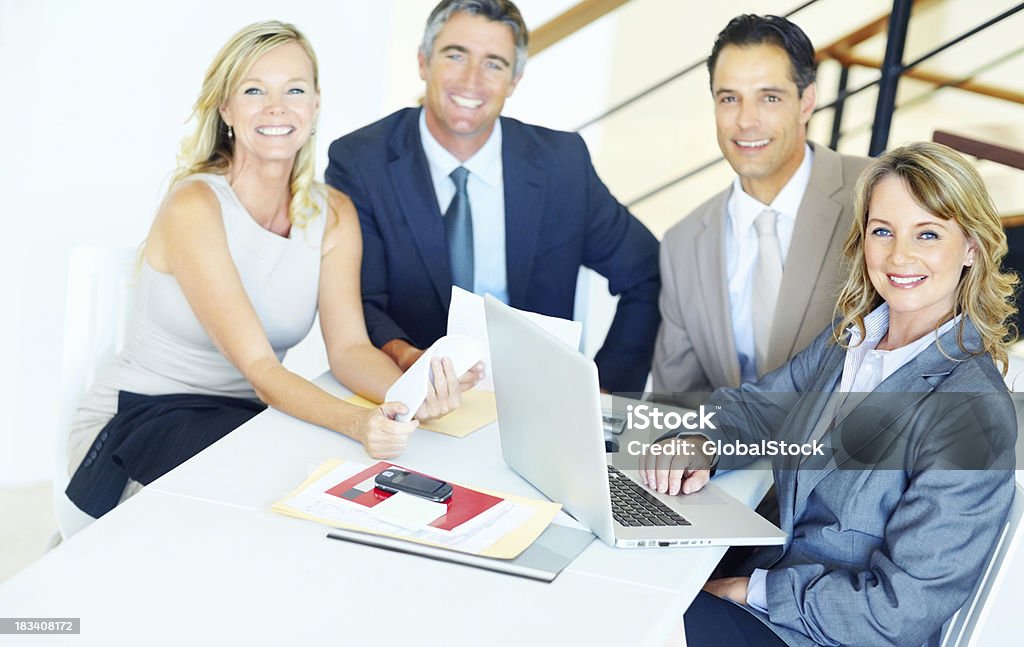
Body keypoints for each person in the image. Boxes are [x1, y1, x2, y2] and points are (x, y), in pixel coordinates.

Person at [65, 21, 479, 519]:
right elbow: (262, 370)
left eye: (295, 90)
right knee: (278, 492)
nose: (276, 107)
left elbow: (349, 350)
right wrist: (357, 422)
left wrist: (407, 395)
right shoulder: (194, 205)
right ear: (226, 109)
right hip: (145, 413)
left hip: (243, 417)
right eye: (254, 89)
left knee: (332, 483)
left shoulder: (335, 214)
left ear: (315, 105)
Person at [640, 142, 1018, 646]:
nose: (899, 255)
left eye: (927, 234)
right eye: (883, 231)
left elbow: (898, 610)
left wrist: (749, 591)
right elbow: (757, 408)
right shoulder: (852, 338)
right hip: (762, 580)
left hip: (822, 633)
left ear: (971, 247)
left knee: (633, 623)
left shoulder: (974, 413)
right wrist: (699, 441)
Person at [325, 0, 661, 394]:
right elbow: (360, 297)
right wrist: (405, 357)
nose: (471, 80)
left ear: (514, 80)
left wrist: (603, 391)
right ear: (422, 62)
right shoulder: (362, 161)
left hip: (536, 396)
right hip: (410, 388)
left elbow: (647, 271)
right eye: (456, 55)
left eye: (494, 63)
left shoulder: (561, 165)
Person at [653, 14, 871, 407]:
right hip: (724, 461)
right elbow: (675, 402)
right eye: (729, 98)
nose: (745, 121)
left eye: (769, 97)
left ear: (807, 102)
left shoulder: (874, 195)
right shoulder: (682, 244)